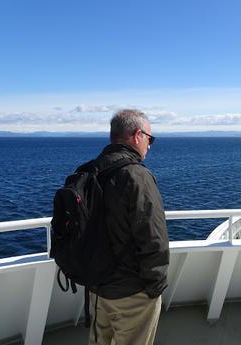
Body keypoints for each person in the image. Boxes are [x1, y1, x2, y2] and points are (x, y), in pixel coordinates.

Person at [89, 109, 169, 345]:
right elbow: (154, 237)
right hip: (131, 292)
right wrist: (154, 288)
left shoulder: (90, 170)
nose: (150, 145)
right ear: (137, 136)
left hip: (96, 287)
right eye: (149, 139)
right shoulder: (136, 176)